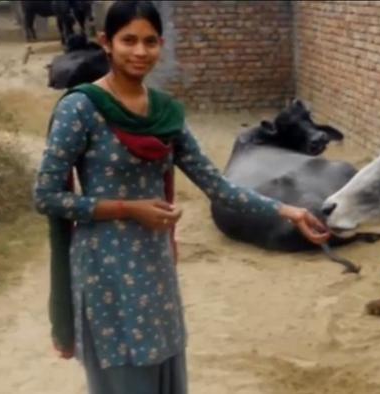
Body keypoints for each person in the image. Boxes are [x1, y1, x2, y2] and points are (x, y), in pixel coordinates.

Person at [33, 1, 330, 393]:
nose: (140, 52)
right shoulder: (81, 108)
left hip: (155, 266)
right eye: (129, 40)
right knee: (124, 374)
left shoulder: (165, 114)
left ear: (161, 44)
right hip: (105, 266)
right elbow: (47, 195)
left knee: (163, 365)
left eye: (150, 41)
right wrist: (129, 209)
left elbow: (216, 185)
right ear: (106, 43)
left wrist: (288, 211)